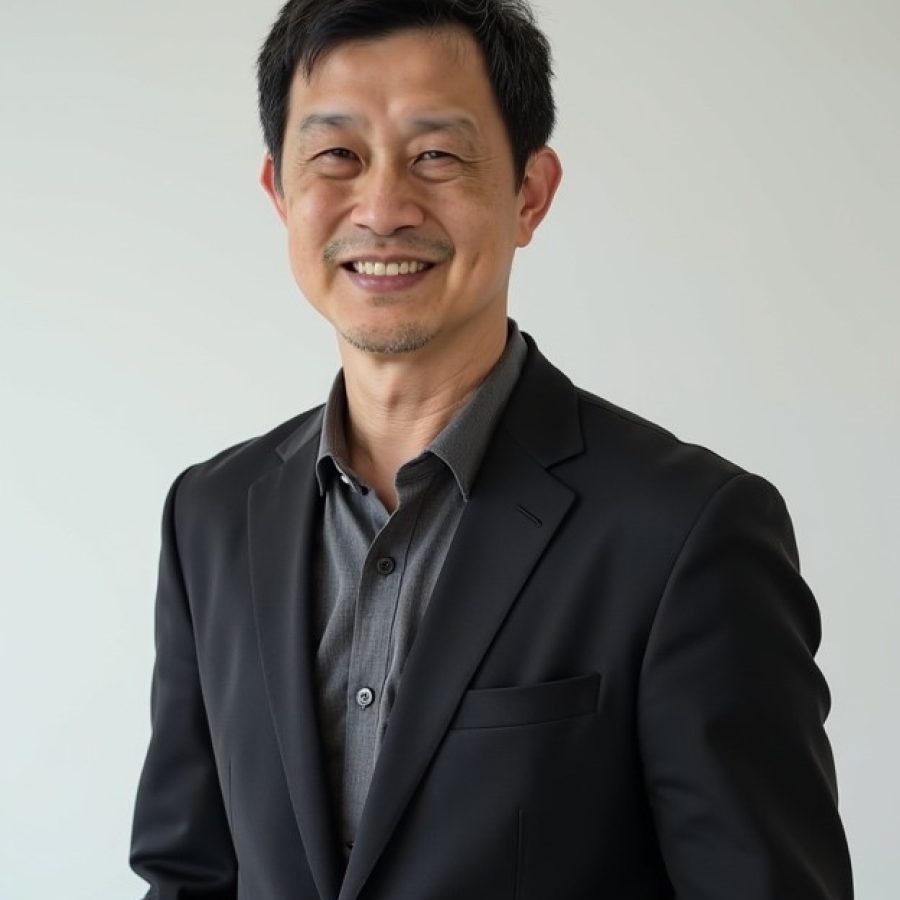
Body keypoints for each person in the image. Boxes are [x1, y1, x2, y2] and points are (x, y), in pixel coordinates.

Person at [129, 1, 853, 898]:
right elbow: (188, 875)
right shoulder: (210, 515)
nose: (384, 207)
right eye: (337, 157)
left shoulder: (685, 531)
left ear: (529, 194)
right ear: (280, 191)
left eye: (436, 155)